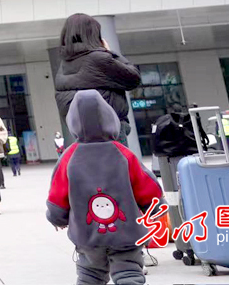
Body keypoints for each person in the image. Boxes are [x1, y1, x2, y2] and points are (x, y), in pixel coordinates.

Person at [46, 90, 163, 285]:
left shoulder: (68, 157)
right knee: (129, 274)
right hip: (126, 232)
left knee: (89, 276)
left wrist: (57, 217)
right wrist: (155, 207)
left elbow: (58, 193)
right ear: (110, 118)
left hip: (87, 235)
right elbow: (145, 185)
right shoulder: (123, 153)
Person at [55, 14, 142, 146]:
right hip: (110, 131)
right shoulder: (99, 58)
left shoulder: (64, 65)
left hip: (83, 135)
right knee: (120, 165)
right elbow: (133, 78)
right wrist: (108, 51)